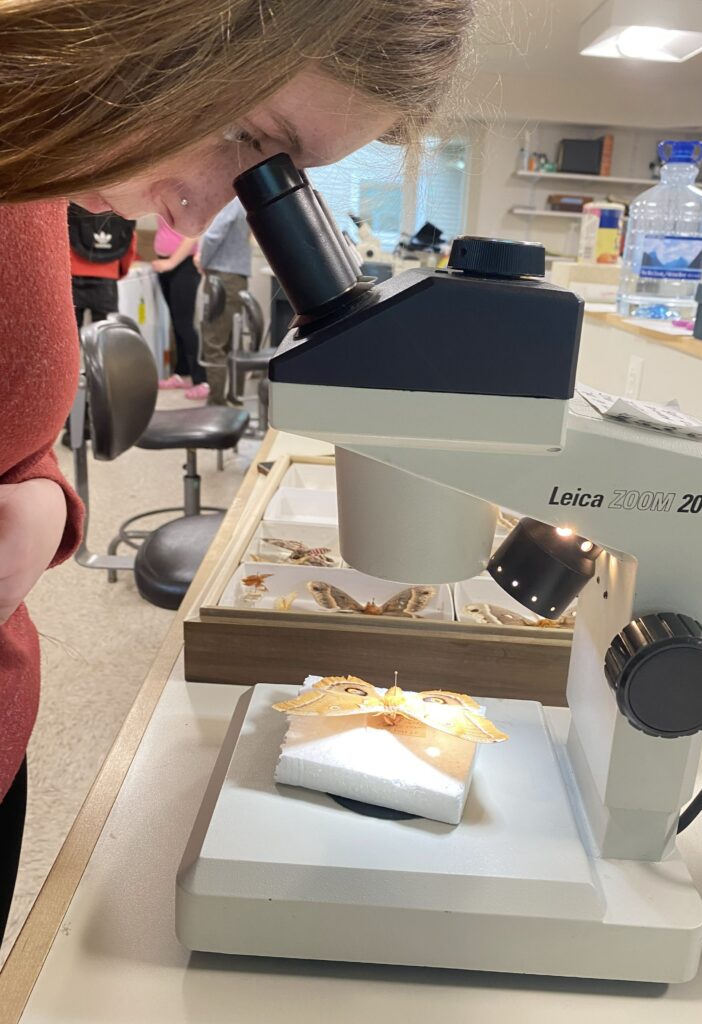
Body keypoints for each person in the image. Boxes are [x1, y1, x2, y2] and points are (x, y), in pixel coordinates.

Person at [0, 0, 475, 948]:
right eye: (250, 135)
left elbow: (19, 432)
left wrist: (44, 503)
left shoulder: (35, 170)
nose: (195, 215)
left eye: (271, 174)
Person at [196, 198, 252, 406]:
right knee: (231, 341)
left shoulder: (230, 199)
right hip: (237, 278)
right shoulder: (245, 199)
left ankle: (216, 404)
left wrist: (202, 261)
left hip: (222, 276)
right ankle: (233, 398)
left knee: (214, 341)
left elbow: (213, 235)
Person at [152, 221, 206, 399]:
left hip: (182, 266)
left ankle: (201, 380)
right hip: (166, 264)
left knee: (185, 324)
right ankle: (182, 373)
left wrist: (172, 262)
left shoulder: (187, 197)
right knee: (177, 323)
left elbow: (194, 233)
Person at [68, 203, 137, 327]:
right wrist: (120, 272)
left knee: (70, 332)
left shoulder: (74, 202)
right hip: (107, 276)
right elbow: (129, 242)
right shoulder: (119, 205)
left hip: (73, 275)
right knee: (107, 331)